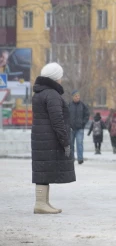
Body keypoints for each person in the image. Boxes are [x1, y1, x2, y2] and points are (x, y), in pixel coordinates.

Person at [31, 62, 75, 214]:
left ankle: (43, 202)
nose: (61, 80)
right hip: (49, 138)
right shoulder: (52, 95)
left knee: (44, 169)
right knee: (44, 169)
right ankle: (40, 204)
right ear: (56, 78)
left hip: (41, 136)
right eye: (60, 77)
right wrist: (65, 141)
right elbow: (58, 121)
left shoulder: (39, 93)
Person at [69, 90, 89, 164]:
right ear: (73, 97)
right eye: (76, 96)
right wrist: (68, 124)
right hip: (71, 129)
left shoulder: (83, 105)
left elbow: (87, 115)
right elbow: (66, 116)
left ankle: (80, 159)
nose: (77, 97)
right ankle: (71, 158)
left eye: (78, 96)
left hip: (80, 128)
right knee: (71, 144)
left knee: (79, 143)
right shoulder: (69, 105)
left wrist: (83, 123)